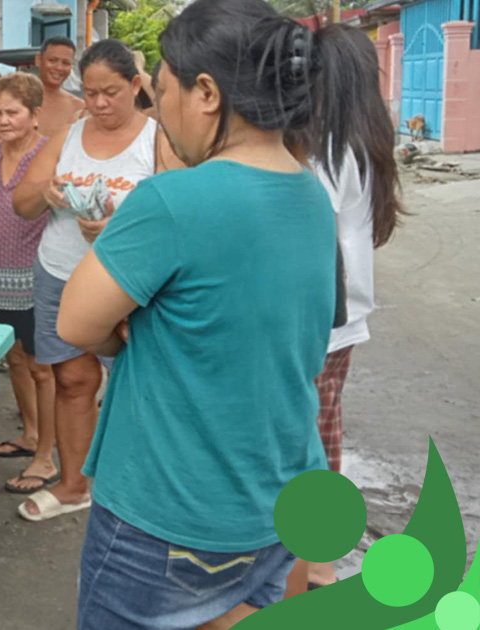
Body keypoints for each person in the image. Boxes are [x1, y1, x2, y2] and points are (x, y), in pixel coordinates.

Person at [58, 0, 368, 626]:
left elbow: (74, 324)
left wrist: (130, 328)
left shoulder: (172, 200)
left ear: (206, 92)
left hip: (171, 506)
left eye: (163, 90)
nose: (158, 111)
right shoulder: (310, 192)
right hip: (278, 493)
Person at [12, 39, 178, 519]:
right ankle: (73, 484)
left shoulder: (159, 140)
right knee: (72, 379)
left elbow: (180, 213)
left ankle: (143, 490)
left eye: (111, 92)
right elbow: (21, 204)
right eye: (91, 93)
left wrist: (118, 227)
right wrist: (47, 191)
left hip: (132, 282)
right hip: (61, 271)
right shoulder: (67, 136)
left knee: (144, 380)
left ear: (134, 85)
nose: (101, 103)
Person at [286, 23, 406, 591]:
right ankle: (321, 555)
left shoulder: (326, 150)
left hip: (316, 315)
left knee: (306, 435)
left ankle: (316, 557)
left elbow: (303, 227)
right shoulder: (365, 139)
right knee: (324, 427)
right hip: (344, 315)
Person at [0, 73, 59, 496]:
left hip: (36, 276)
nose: (3, 120)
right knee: (19, 362)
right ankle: (29, 434)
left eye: (13, 112)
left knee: (44, 368)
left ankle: (46, 455)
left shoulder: (48, 157)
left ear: (35, 115)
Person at [35, 36, 86, 139]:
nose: (59, 68)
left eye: (66, 63)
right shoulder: (17, 98)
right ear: (38, 59)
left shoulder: (79, 107)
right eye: (53, 60)